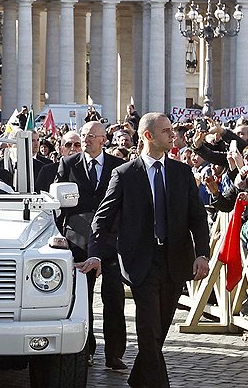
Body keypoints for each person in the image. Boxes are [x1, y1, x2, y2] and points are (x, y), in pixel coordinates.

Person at [80, 112, 211, 388]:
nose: (172, 135)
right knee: (148, 326)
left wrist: (202, 253)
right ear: (148, 136)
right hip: (141, 262)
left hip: (175, 260)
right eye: (166, 131)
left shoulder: (182, 173)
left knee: (159, 330)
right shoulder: (125, 174)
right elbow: (101, 219)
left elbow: (197, 217)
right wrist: (96, 252)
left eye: (172, 130)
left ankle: (139, 378)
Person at [55, 121, 127, 369]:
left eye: (91, 136)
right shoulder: (68, 164)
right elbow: (58, 204)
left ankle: (115, 353)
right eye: (84, 135)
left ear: (103, 139)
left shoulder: (119, 166)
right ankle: (86, 349)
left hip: (111, 241)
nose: (86, 140)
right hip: (78, 241)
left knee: (115, 299)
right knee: (81, 300)